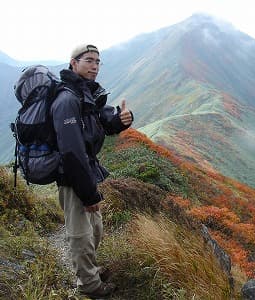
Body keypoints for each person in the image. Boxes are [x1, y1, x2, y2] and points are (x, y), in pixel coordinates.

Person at [51, 44, 133, 298]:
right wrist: (88, 194)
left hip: (87, 172)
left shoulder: (84, 93)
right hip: (72, 176)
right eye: (89, 60)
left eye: (98, 61)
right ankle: (89, 286)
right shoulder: (66, 100)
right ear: (73, 63)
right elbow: (72, 152)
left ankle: (90, 270)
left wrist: (118, 121)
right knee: (81, 234)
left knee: (95, 228)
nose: (95, 66)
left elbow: (98, 122)